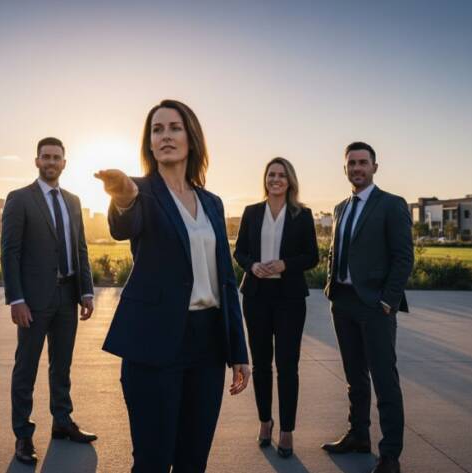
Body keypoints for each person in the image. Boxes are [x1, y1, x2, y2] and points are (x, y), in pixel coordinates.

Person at [95, 99, 250, 473]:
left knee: (193, 461)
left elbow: (226, 280)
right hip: (154, 343)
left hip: (208, 343)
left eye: (174, 128)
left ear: (191, 137)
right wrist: (124, 197)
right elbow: (123, 227)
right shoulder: (140, 192)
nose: (165, 136)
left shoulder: (212, 203)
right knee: (152, 460)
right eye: (157, 130)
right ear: (149, 144)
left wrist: (238, 350)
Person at [1, 137, 96, 465]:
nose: (51, 162)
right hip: (33, 300)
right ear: (37, 161)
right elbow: (9, 252)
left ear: (65, 163)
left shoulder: (73, 200)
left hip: (68, 295)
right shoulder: (20, 199)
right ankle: (23, 435)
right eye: (46, 157)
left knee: (62, 364)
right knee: (25, 366)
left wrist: (86, 291)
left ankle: (62, 421)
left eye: (57, 157)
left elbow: (80, 247)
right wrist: (16, 299)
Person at [321, 142, 413, 473]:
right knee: (354, 377)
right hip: (343, 302)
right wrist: (331, 288)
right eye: (351, 163)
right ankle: (359, 434)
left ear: (375, 166)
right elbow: (337, 250)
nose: (357, 168)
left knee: (384, 379)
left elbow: (404, 257)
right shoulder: (339, 208)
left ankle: (390, 454)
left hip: (375, 306)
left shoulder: (391, 205)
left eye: (363, 162)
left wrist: (388, 300)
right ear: (344, 168)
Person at [233, 157, 318, 457]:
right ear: (265, 179)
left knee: (287, 366)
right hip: (256, 296)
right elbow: (239, 251)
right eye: (271, 175)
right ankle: (265, 422)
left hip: (290, 299)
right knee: (261, 365)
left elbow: (312, 256)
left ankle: (287, 430)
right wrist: (252, 265)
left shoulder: (302, 214)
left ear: (290, 180)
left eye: (282, 175)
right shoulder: (251, 212)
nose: (276, 179)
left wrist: (285, 264)